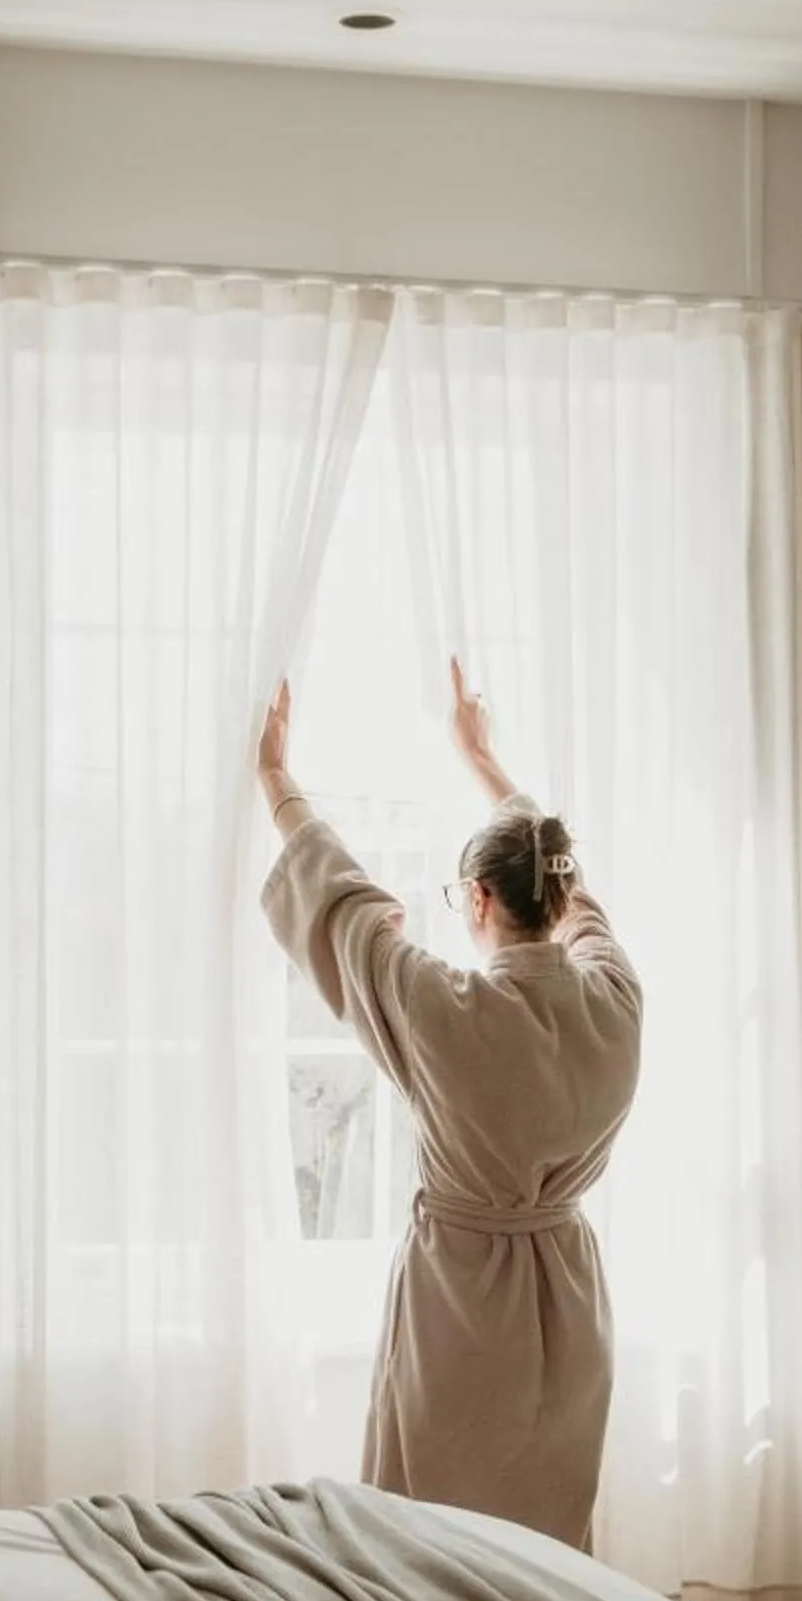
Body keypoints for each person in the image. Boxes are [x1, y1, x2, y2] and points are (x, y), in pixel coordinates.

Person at [257, 660, 642, 1550]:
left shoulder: (444, 1009)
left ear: (477, 898)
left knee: (435, 1539)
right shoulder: (616, 996)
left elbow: (345, 910)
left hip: (460, 1301)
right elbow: (578, 898)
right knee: (546, 1543)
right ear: (556, 893)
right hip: (571, 1305)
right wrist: (486, 764)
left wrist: (276, 778)